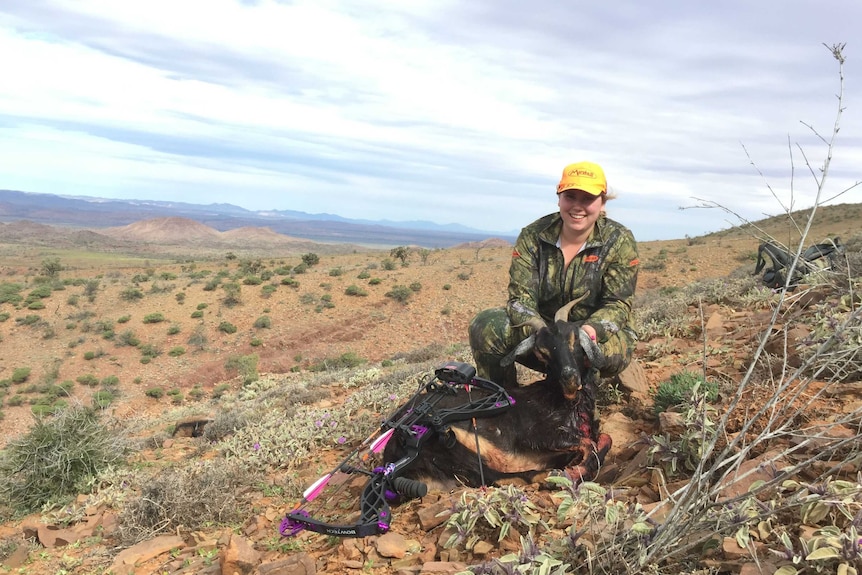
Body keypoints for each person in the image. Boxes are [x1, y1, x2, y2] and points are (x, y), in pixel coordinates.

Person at [469, 161, 639, 387]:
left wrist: (589, 331)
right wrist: (541, 331)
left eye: (587, 199)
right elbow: (520, 299)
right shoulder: (533, 235)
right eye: (570, 197)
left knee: (585, 349)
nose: (577, 207)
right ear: (559, 197)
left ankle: (581, 409)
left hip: (592, 334)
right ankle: (500, 401)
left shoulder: (619, 240)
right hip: (545, 333)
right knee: (487, 325)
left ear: (602, 202)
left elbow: (617, 304)